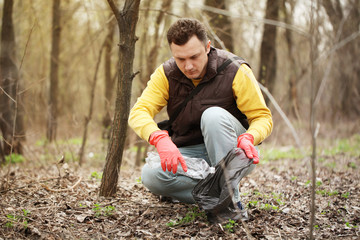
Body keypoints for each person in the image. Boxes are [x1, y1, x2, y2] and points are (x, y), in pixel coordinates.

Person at [128, 18, 272, 205]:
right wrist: (159, 138)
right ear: (172, 53)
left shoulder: (235, 69)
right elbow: (138, 112)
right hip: (192, 151)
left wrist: (249, 137)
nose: (188, 66)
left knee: (212, 116)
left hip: (233, 149)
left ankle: (226, 200)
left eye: (194, 57)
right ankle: (218, 195)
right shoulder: (166, 74)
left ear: (207, 47)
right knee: (150, 176)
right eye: (180, 59)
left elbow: (262, 117)